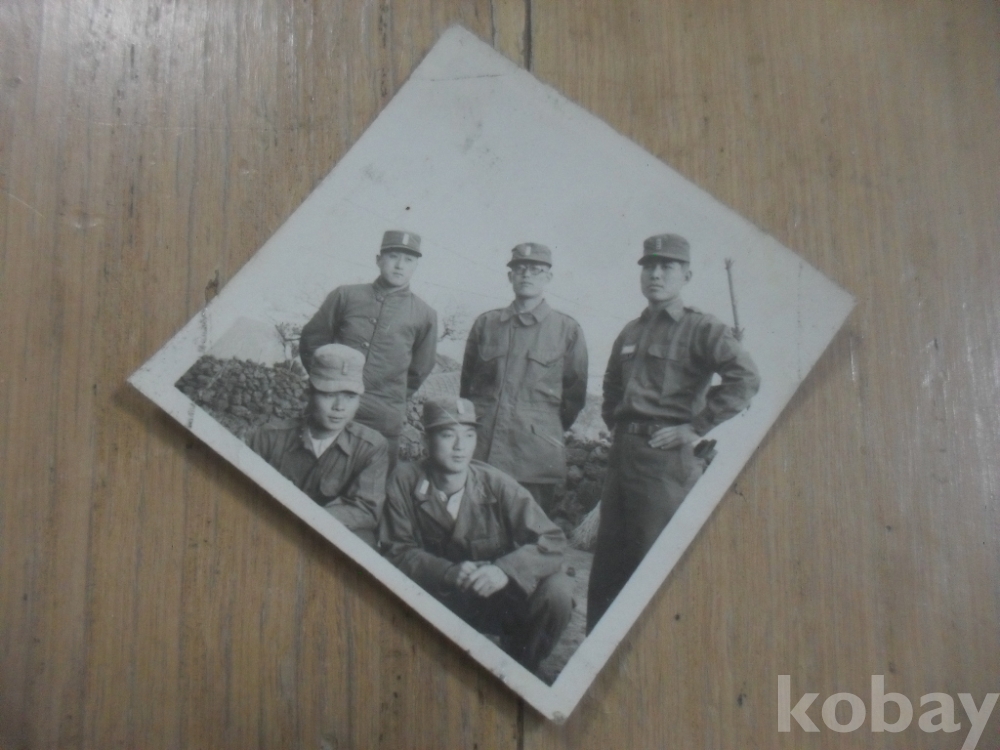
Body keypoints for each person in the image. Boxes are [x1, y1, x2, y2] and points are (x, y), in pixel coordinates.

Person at [586, 234, 761, 633]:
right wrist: (619, 426)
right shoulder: (630, 331)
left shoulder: (703, 328)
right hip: (622, 456)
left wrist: (694, 428)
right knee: (608, 566)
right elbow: (612, 385)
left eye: (667, 267)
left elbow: (746, 379)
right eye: (649, 266)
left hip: (664, 463)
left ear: (687, 276)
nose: (656, 274)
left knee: (650, 566)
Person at [380, 397, 574, 673]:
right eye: (448, 435)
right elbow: (396, 551)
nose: (460, 446)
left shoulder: (497, 484)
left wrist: (505, 570)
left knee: (557, 590)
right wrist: (448, 572)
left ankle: (523, 668)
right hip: (436, 598)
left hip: (494, 598)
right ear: (426, 441)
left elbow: (552, 540)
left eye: (469, 435)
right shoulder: (405, 480)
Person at [460, 243, 588, 516]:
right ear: (510, 276)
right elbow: (467, 387)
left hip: (533, 458)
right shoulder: (486, 324)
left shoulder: (566, 330)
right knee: (473, 528)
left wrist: (539, 426)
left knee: (527, 532)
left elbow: (574, 397)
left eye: (535, 270)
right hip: (482, 451)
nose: (527, 275)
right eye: (520, 269)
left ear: (548, 277)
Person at [298, 230, 437, 466]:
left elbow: (419, 369)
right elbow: (313, 342)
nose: (400, 265)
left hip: (382, 417)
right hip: (331, 409)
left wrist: (389, 397)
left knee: (372, 480)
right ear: (378, 259)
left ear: (416, 266)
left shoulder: (425, 315)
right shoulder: (345, 296)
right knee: (310, 471)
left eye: (409, 260)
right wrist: (327, 385)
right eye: (393, 256)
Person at [248, 344, 388, 547]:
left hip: (326, 537)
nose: (339, 407)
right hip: (272, 530)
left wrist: (310, 522)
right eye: (329, 394)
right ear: (310, 393)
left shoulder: (370, 447)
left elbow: (366, 508)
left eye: (350, 396)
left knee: (362, 539)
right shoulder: (268, 437)